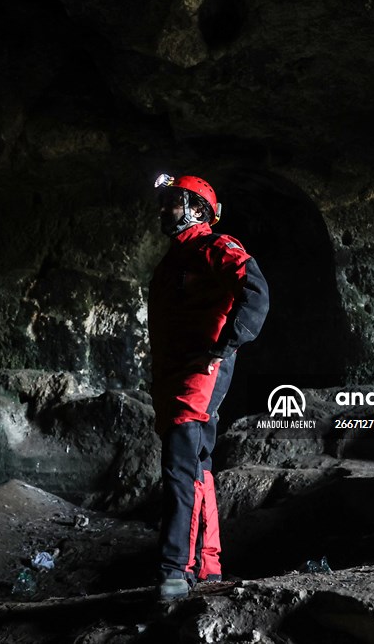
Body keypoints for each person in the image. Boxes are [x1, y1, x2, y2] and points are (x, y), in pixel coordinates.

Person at [147, 173, 269, 599]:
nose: (164, 210)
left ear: (198, 209)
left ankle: (174, 571)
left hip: (199, 377)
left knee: (181, 465)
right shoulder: (173, 261)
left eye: (173, 202)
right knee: (196, 465)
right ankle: (207, 566)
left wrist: (226, 345)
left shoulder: (214, 246)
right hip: (174, 379)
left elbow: (255, 290)